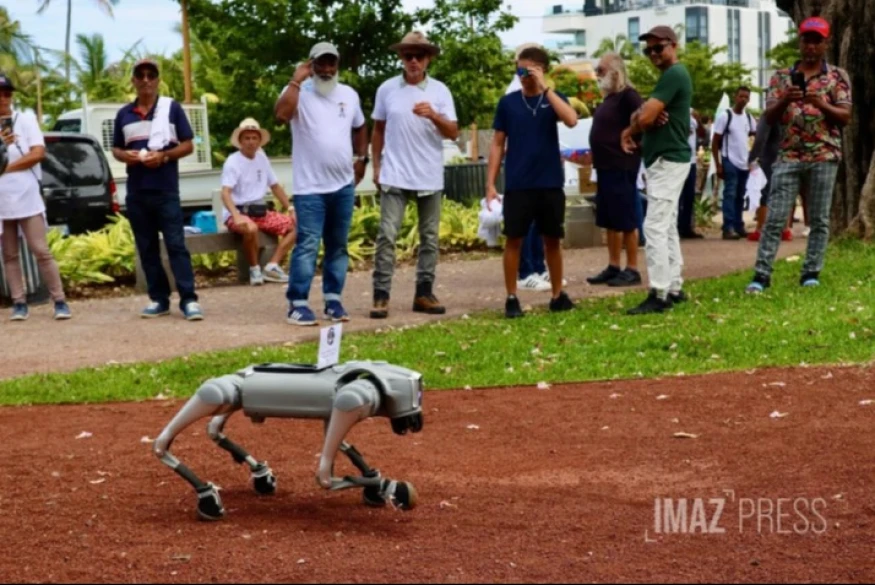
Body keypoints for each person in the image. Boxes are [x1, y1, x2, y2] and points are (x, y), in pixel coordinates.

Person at [746, 16, 851, 293]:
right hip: (788, 156)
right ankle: (761, 275)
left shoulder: (837, 76)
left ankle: (810, 273)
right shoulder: (781, 77)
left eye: (817, 41)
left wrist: (821, 103)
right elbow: (768, 116)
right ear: (800, 41)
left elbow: (845, 116)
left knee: (819, 219)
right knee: (775, 217)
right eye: (807, 40)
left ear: (826, 44)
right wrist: (785, 99)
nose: (811, 46)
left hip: (824, 155)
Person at [275, 41, 369, 325]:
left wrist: (362, 158)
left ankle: (333, 300)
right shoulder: (297, 92)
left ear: (337, 65)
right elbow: (280, 116)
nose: (327, 69)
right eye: (321, 64)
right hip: (310, 188)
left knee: (338, 246)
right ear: (311, 65)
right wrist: (295, 80)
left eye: (332, 63)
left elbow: (360, 126)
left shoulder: (348, 94)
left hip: (343, 185)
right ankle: (297, 304)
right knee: (307, 245)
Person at [370, 31, 458, 319]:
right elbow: (378, 129)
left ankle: (424, 292)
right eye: (408, 55)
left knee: (429, 237)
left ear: (428, 59)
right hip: (395, 173)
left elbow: (453, 132)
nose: (413, 61)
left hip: (428, 174)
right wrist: (376, 166)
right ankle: (381, 295)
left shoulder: (440, 91)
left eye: (419, 55)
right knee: (387, 235)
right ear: (401, 57)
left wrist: (434, 115)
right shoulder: (387, 89)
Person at [486, 45, 577, 318]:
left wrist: (545, 88)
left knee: (552, 240)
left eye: (528, 71)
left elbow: (572, 120)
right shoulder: (508, 103)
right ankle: (511, 297)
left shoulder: (553, 98)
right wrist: (490, 183)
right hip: (519, 183)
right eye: (520, 71)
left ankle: (557, 295)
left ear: (542, 69)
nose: (523, 76)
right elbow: (497, 143)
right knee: (514, 239)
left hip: (549, 182)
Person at [112, 58, 202, 320]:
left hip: (165, 189)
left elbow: (188, 144)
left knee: (176, 245)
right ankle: (159, 299)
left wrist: (164, 156)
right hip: (137, 190)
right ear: (133, 81)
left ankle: (189, 299)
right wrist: (125, 156)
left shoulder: (171, 109)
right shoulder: (124, 114)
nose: (146, 80)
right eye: (140, 76)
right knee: (147, 248)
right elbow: (116, 148)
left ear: (158, 80)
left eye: (151, 75)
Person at [620, 25, 693, 315]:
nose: (653, 53)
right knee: (667, 224)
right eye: (648, 50)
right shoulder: (669, 77)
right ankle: (673, 286)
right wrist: (639, 118)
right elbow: (642, 117)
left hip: (667, 159)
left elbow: (646, 118)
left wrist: (638, 121)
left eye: (659, 47)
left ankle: (659, 293)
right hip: (665, 160)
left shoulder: (675, 74)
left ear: (673, 45)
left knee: (654, 226)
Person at [0, 73, 71, 321]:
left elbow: (38, 153)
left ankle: (59, 300)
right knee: (9, 254)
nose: (3, 98)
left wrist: (6, 168)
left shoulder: (26, 119)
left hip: (26, 196)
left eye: (7, 93)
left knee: (41, 250)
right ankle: (19, 302)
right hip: (1, 201)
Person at [587, 52, 644, 288]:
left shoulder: (628, 96)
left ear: (615, 72)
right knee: (610, 219)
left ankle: (632, 268)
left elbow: (643, 118)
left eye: (601, 70)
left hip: (622, 165)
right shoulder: (609, 98)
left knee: (626, 218)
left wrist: (631, 138)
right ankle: (613, 265)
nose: (597, 75)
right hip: (605, 167)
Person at [220, 118, 296, 286]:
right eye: (247, 138)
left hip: (258, 210)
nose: (251, 142)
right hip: (237, 211)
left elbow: (275, 186)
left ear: (259, 140)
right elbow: (225, 193)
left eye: (254, 138)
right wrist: (236, 215)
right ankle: (254, 269)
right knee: (251, 228)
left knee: (297, 225)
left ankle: (272, 266)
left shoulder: (262, 158)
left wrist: (290, 208)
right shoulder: (233, 161)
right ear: (240, 141)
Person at [712, 86, 756, 240]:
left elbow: (755, 135)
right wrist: (718, 164)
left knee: (740, 195)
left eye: (746, 97)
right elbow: (715, 141)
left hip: (744, 162)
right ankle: (728, 227)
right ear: (735, 97)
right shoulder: (726, 116)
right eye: (741, 96)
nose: (743, 99)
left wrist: (753, 157)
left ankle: (738, 225)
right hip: (729, 159)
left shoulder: (748, 118)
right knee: (730, 193)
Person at [677, 109, 705, 239]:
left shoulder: (692, 113)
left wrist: (698, 121)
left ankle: (686, 227)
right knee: (678, 196)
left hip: (691, 161)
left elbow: (702, 134)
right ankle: (676, 228)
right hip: (679, 160)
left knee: (689, 196)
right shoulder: (675, 111)